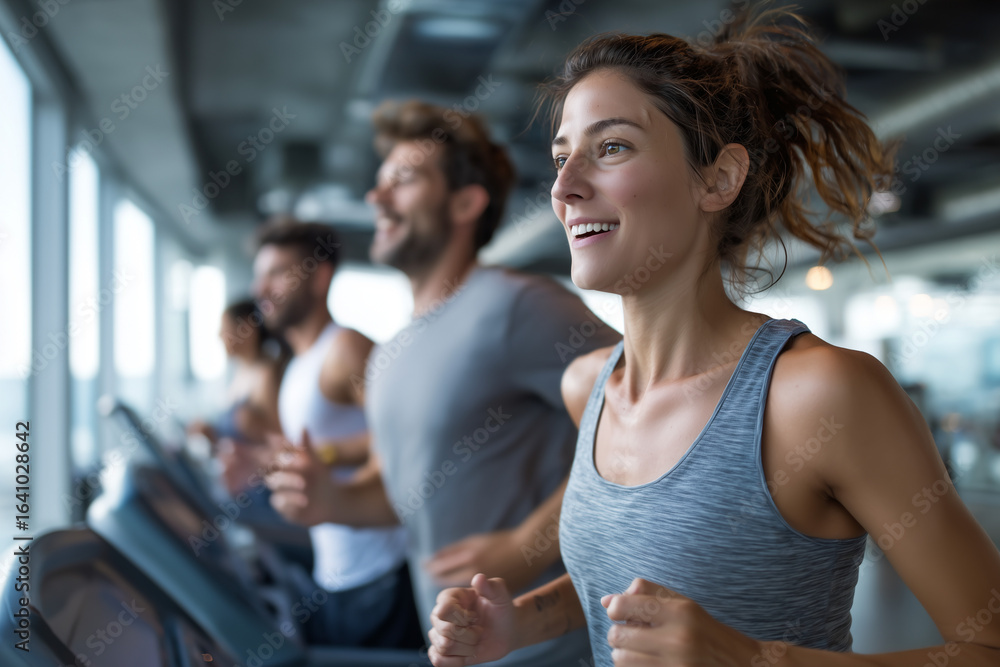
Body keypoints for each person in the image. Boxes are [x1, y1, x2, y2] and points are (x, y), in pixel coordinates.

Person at [428, 9, 1000, 667]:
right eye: (562, 157)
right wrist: (518, 620)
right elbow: (624, 584)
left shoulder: (821, 395)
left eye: (611, 147)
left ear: (718, 179)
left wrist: (753, 658)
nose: (564, 186)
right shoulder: (587, 387)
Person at [266, 99, 621, 665]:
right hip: (460, 650)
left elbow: (648, 417)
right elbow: (403, 494)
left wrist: (527, 541)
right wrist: (330, 499)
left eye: (403, 180)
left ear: (465, 201)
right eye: (379, 183)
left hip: (554, 650)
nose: (376, 197)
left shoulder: (517, 305)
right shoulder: (389, 355)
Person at [251, 219, 420, 648]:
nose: (261, 289)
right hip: (334, 572)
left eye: (277, 273)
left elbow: (407, 439)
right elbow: (327, 449)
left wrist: (325, 456)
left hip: (379, 573)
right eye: (259, 275)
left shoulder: (346, 349)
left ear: (319, 276)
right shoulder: (296, 366)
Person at [187, 299, 289, 495]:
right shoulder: (239, 374)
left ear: (247, 329)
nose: (219, 335)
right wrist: (212, 434)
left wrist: (250, 425)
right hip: (235, 484)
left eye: (224, 328)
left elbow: (279, 443)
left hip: (258, 490)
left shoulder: (266, 375)